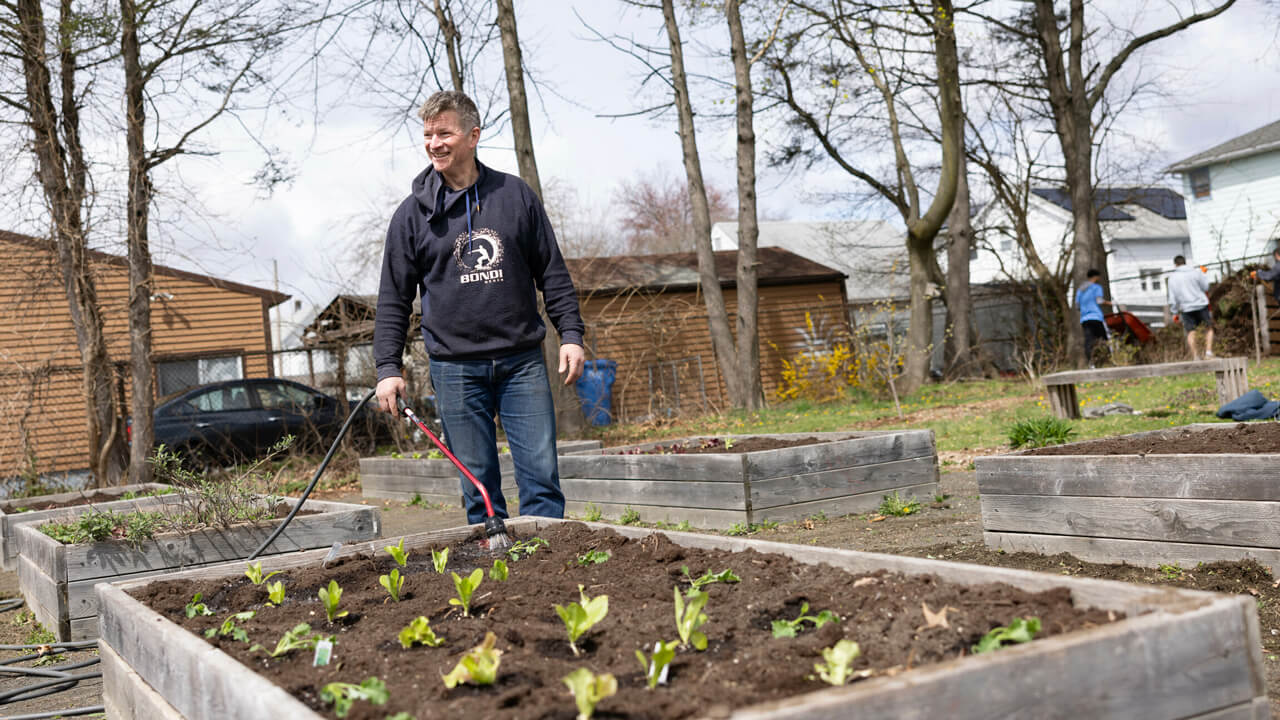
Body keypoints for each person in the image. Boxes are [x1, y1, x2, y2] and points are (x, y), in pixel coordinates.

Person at [373, 90, 585, 525]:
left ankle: (546, 564)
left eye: (444, 133)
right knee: (479, 488)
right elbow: (394, 298)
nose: (434, 143)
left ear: (473, 135)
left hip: (521, 361)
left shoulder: (515, 196)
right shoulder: (412, 216)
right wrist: (387, 368)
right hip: (454, 369)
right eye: (428, 134)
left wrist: (571, 335)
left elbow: (552, 272)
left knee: (542, 478)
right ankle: (497, 571)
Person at [1166, 255, 1215, 360]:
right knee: (1209, 328)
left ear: (1175, 264)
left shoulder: (1172, 278)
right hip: (1201, 304)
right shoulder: (1196, 272)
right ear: (1185, 262)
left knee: (1191, 332)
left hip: (1186, 308)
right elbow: (1206, 287)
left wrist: (1174, 312)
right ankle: (1209, 352)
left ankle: (1196, 356)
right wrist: (1204, 275)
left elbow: (1172, 298)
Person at [1075, 268, 1113, 367]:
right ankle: (1108, 361)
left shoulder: (1080, 290)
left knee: (1089, 341)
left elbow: (1077, 306)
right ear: (1096, 277)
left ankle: (1091, 363)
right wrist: (1109, 303)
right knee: (1104, 339)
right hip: (1096, 317)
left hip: (1085, 319)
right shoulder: (1096, 287)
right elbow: (1099, 301)